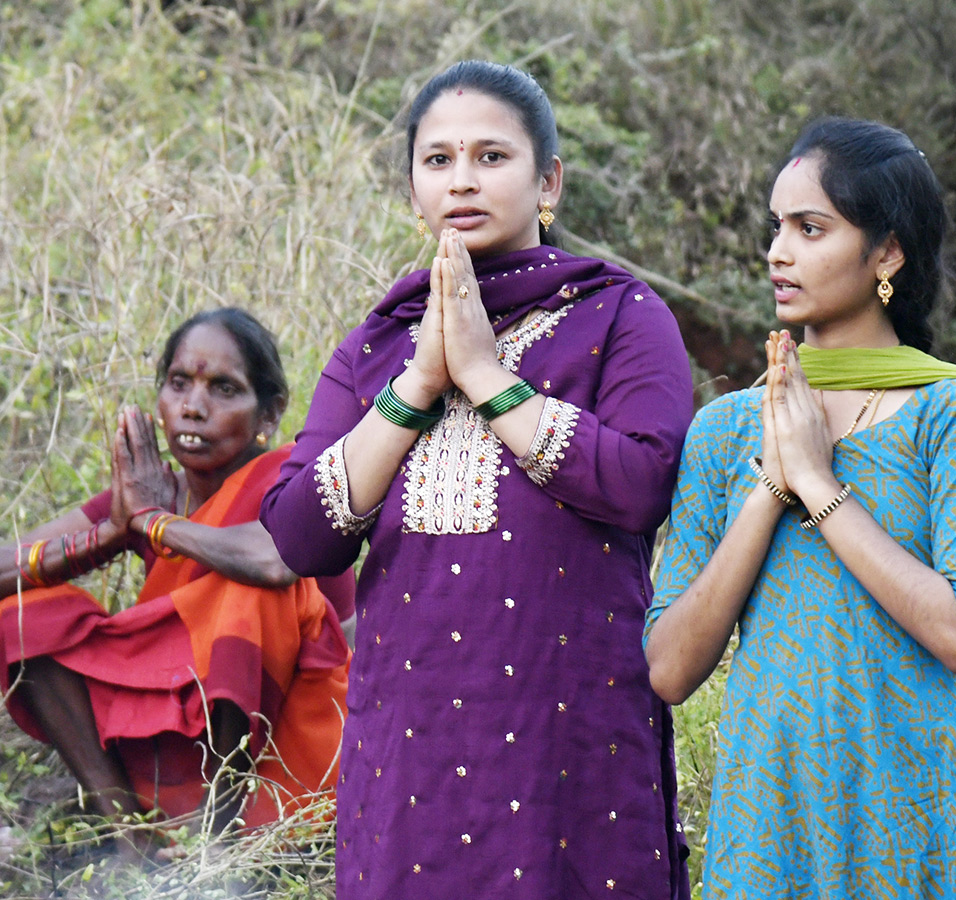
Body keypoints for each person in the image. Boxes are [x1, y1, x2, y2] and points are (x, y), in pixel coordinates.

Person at [260, 60, 693, 899]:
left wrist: (491, 379)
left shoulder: (620, 316)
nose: (463, 179)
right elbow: (298, 536)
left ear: (549, 181)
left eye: (492, 157)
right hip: (409, 745)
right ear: (411, 191)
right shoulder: (377, 345)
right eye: (438, 160)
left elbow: (643, 482)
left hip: (569, 735)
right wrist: (419, 384)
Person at [644, 117, 956, 898]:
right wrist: (773, 484)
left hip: (921, 806)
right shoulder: (728, 428)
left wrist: (821, 484)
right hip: (772, 813)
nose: (778, 251)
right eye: (776, 227)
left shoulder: (954, 413)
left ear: (888, 252)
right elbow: (668, 668)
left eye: (810, 228)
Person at [0, 308, 352, 848]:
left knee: (245, 595)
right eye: (178, 383)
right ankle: (130, 836)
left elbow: (274, 564)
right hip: (173, 710)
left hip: (291, 736)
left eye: (224, 389)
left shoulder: (291, 481)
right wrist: (113, 533)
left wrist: (156, 525)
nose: (192, 407)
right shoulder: (149, 491)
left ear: (269, 412)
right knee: (20, 614)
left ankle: (216, 843)